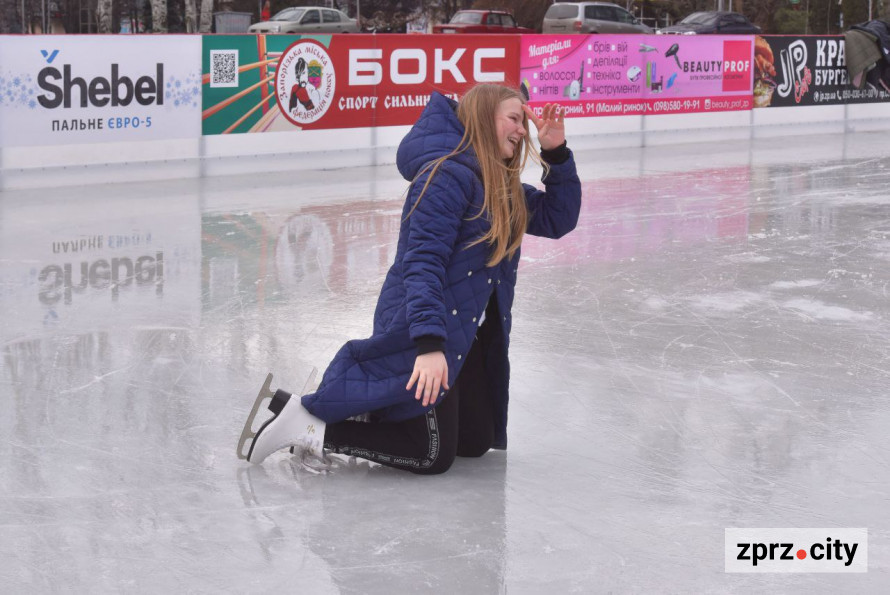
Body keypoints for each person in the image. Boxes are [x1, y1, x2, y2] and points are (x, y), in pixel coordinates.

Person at [238, 83, 582, 474]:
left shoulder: (499, 186)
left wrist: (555, 151)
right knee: (430, 454)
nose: (523, 130)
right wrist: (429, 345)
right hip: (422, 328)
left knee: (475, 442)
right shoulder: (447, 176)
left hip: (464, 335)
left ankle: (364, 412)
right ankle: (307, 426)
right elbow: (421, 263)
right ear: (484, 118)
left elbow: (558, 218)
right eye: (514, 118)